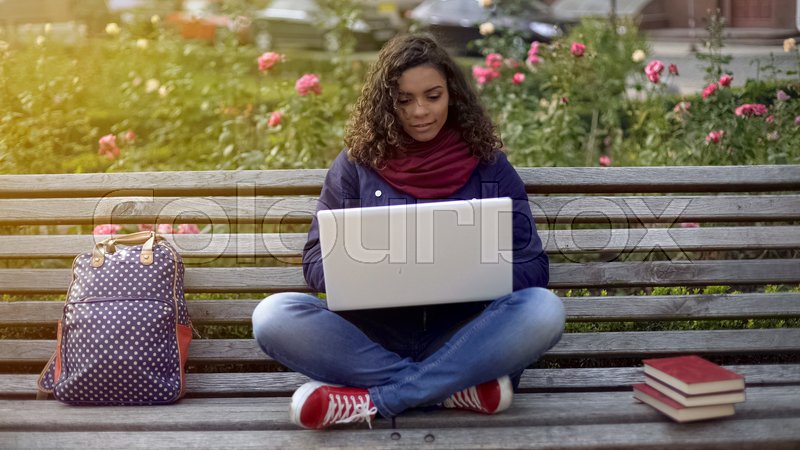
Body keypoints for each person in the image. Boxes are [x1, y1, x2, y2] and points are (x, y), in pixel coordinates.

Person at [251, 33, 565, 430]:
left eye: (432, 96)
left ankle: (376, 400)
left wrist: (467, 274)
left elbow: (533, 264)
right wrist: (372, 270)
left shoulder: (489, 166)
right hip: (372, 340)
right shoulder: (356, 164)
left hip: (464, 338)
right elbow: (314, 262)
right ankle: (451, 391)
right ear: (387, 103)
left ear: (452, 94)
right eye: (404, 100)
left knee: (544, 309)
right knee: (273, 315)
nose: (420, 111)